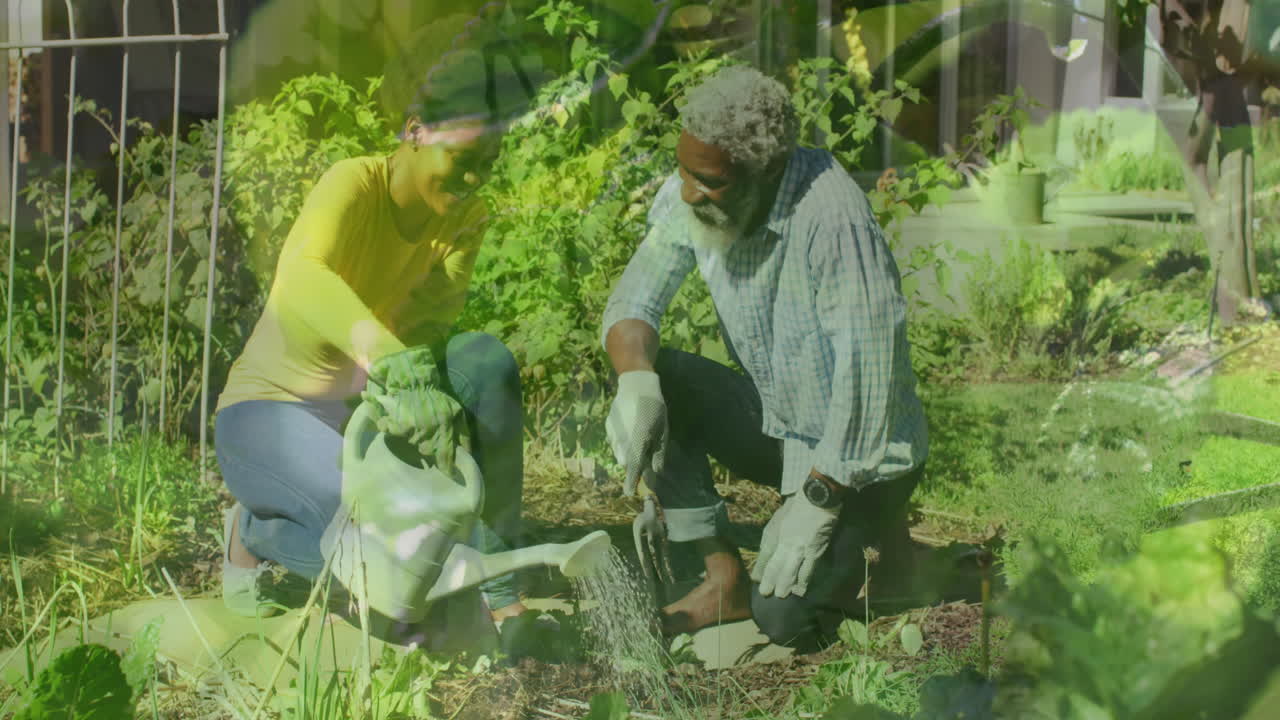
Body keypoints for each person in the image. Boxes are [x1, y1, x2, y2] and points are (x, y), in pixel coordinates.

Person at [212, 13, 531, 640]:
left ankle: (497, 580)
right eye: (462, 159)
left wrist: (427, 404)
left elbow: (430, 329)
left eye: (486, 164)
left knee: (484, 360)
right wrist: (387, 358)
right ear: (415, 130)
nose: (471, 181)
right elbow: (302, 276)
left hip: (361, 414)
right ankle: (253, 531)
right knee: (394, 577)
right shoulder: (353, 183)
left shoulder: (466, 217)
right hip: (267, 413)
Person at [601, 65, 929, 652]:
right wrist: (635, 384)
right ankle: (721, 575)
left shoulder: (832, 217)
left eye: (708, 182)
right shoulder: (699, 190)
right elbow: (635, 299)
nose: (687, 193)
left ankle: (885, 532)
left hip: (862, 454)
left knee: (784, 620)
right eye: (683, 171)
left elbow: (868, 374)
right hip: (782, 422)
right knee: (661, 374)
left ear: (767, 172)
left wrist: (821, 498)